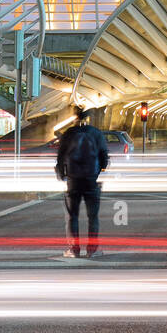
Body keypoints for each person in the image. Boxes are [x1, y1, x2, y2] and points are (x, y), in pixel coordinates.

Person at [55, 106, 110, 259]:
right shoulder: (96, 133)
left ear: (75, 118)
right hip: (91, 179)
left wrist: (63, 174)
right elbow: (104, 158)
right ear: (88, 118)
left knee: (72, 216)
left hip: (73, 180)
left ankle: (74, 249)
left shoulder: (69, 134)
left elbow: (60, 157)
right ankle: (92, 249)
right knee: (93, 217)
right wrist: (97, 172)